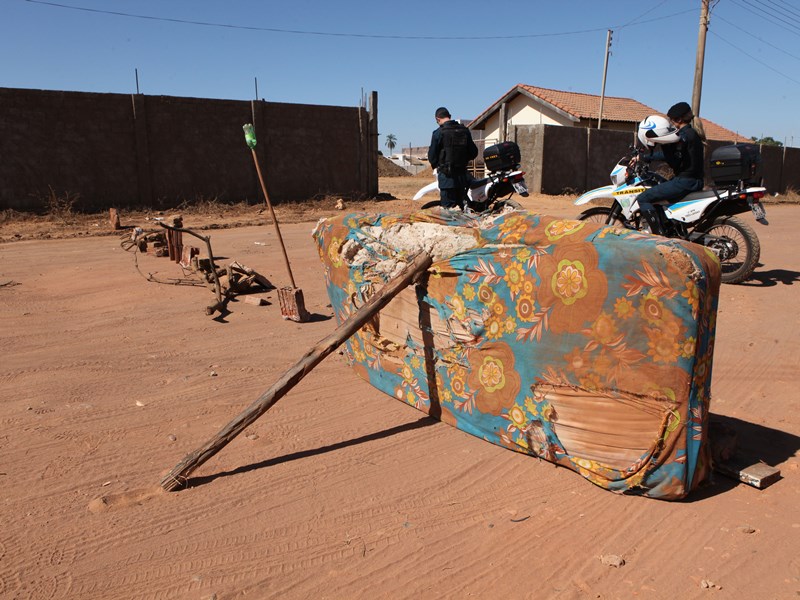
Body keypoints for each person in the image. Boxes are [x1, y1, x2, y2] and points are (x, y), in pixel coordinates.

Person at [634, 101, 705, 235]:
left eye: (671, 121)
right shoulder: (690, 134)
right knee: (658, 185)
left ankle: (658, 235)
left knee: (643, 198)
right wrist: (646, 157)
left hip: (685, 182)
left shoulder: (684, 136)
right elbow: (674, 157)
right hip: (692, 180)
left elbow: (673, 160)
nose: (670, 125)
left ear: (678, 120)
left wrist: (664, 145)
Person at [427, 107, 479, 209]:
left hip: (447, 178)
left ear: (437, 119)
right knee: (461, 209)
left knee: (448, 213)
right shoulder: (464, 131)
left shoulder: (438, 133)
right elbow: (474, 153)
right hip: (462, 178)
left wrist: (437, 166)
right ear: (450, 116)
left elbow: (432, 157)